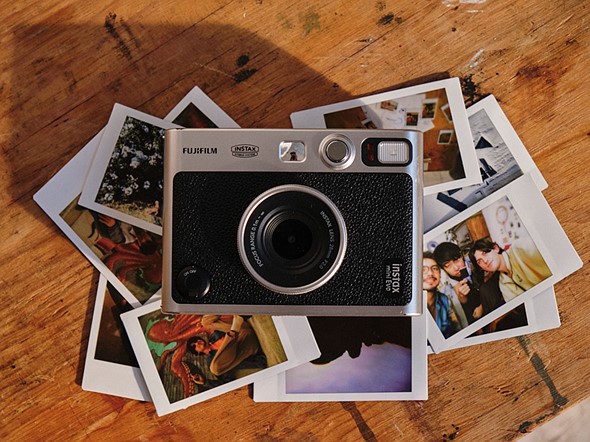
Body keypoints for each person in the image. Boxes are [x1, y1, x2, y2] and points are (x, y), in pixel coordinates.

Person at [469, 237, 552, 303]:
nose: (485, 261)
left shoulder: (519, 248)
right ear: (481, 268)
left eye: (485, 253)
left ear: (495, 248)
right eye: (479, 261)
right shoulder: (503, 285)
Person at [188, 315, 262, 377]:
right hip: (247, 346)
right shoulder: (211, 361)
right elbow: (224, 376)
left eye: (196, 340)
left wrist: (201, 322)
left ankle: (235, 319)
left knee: (205, 322)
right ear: (197, 353)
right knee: (214, 369)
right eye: (194, 346)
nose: (197, 343)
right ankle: (234, 330)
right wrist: (204, 382)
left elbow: (222, 322)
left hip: (243, 328)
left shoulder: (215, 336)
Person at [433, 242, 483, 326]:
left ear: (462, 255)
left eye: (456, 260)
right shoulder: (446, 289)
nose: (456, 268)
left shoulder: (477, 262)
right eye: (448, 266)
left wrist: (483, 306)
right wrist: (462, 297)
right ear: (443, 269)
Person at [423, 251, 461, 338]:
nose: (430, 273)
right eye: (423, 270)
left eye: (435, 268)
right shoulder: (408, 307)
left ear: (440, 274)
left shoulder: (443, 299)